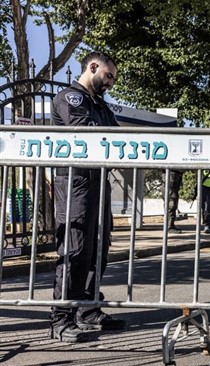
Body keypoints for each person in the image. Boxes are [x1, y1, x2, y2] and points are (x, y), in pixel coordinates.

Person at [49, 51, 125, 343]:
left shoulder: (102, 106)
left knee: (98, 247)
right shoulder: (71, 98)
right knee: (75, 248)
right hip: (75, 181)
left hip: (98, 181)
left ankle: (88, 309)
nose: (110, 82)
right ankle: (61, 318)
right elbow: (84, 131)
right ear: (93, 67)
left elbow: (118, 138)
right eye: (108, 75)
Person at [167, 170, 183, 234]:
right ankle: (169, 226)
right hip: (171, 181)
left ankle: (170, 225)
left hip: (173, 180)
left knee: (173, 204)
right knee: (171, 204)